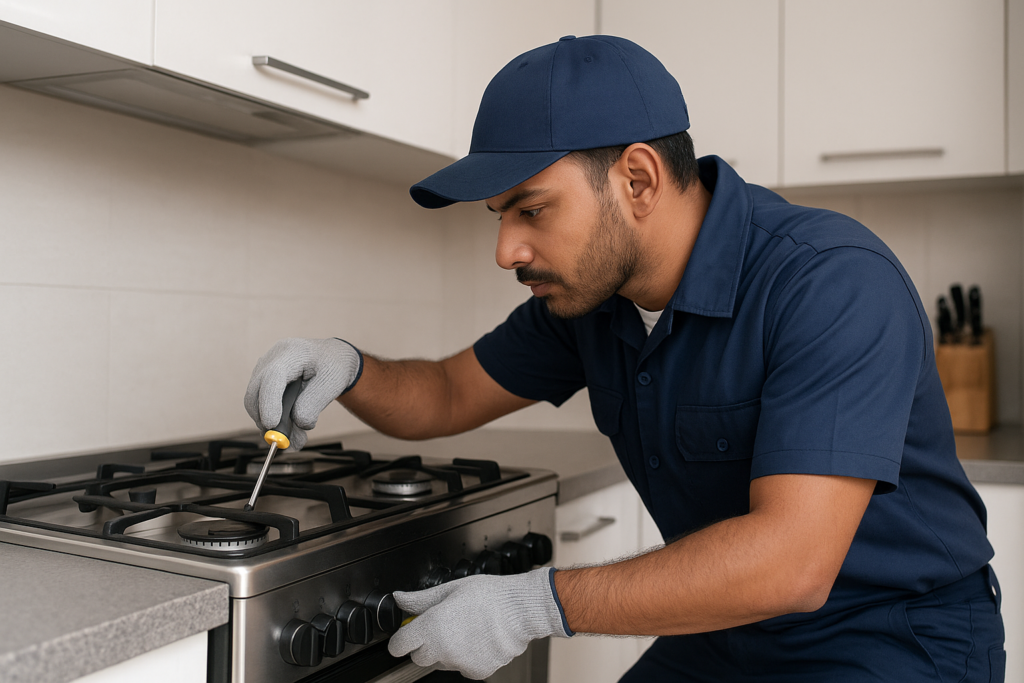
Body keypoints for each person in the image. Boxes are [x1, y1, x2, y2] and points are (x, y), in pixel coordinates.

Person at [244, 35, 1005, 682]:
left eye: (531, 209)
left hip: (890, 635)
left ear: (637, 180)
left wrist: (534, 603)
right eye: (500, 216)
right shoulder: (591, 301)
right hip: (729, 628)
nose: (507, 250)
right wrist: (347, 366)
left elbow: (791, 563)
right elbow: (445, 392)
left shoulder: (829, 279)